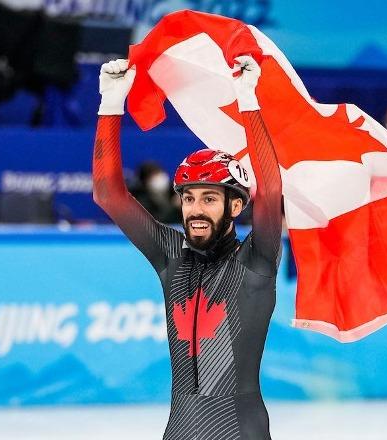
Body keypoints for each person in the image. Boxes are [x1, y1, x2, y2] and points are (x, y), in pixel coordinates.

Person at [92, 56, 282, 439]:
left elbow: (271, 190)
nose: (196, 210)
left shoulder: (255, 261)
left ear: (235, 206)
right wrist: (111, 104)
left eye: (209, 199)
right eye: (189, 198)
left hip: (239, 429)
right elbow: (108, 194)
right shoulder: (171, 256)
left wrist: (248, 100)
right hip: (179, 429)